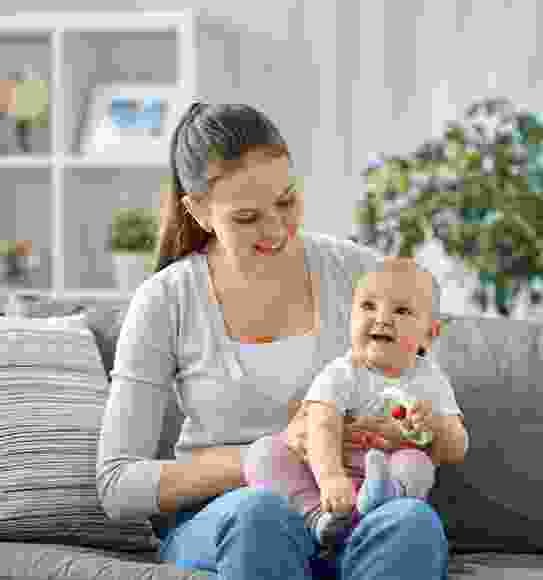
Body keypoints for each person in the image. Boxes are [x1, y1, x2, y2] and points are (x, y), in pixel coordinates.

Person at [96, 102, 453, 580]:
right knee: (261, 513)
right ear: (199, 211)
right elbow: (117, 484)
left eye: (286, 202)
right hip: (229, 518)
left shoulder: (362, 276)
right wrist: (276, 452)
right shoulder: (167, 300)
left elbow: (431, 407)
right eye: (247, 217)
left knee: (413, 523)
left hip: (350, 508)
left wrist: (407, 432)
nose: (276, 230)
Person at [243, 257, 469, 558]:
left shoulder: (431, 380)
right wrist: (331, 478)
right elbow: (321, 425)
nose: (382, 318)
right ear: (350, 319)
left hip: (386, 479)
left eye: (401, 310)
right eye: (368, 306)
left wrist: (437, 427)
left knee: (417, 463)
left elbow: (458, 447)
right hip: (325, 483)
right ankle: (317, 519)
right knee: (264, 454)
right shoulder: (342, 372)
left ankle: (380, 502)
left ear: (429, 334)